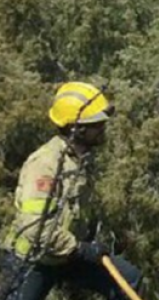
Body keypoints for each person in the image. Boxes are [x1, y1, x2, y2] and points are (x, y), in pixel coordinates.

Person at [1, 82, 142, 300]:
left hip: (68, 256)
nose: (103, 127)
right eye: (97, 124)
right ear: (78, 129)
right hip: (34, 259)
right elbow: (35, 228)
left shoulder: (80, 160)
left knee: (128, 279)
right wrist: (81, 249)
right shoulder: (45, 164)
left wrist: (88, 243)